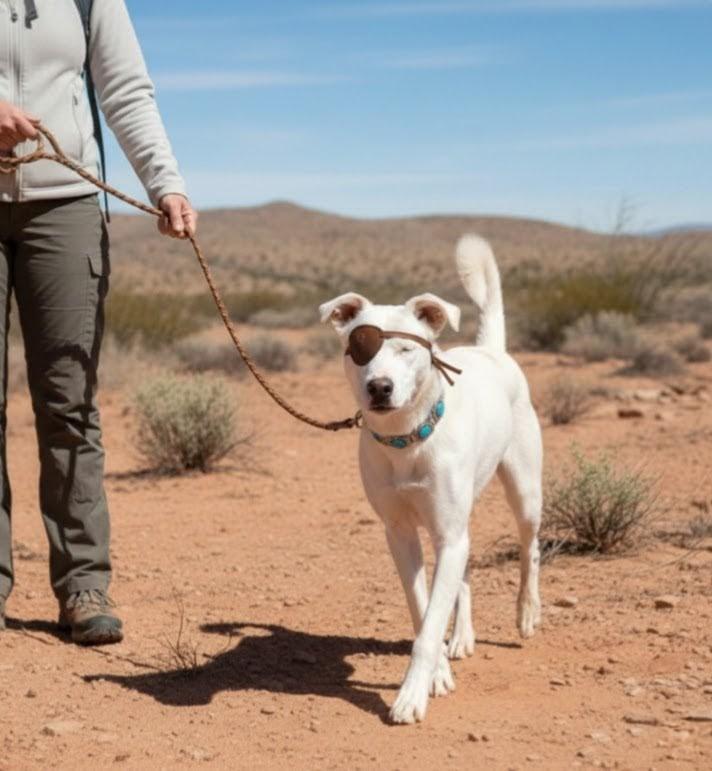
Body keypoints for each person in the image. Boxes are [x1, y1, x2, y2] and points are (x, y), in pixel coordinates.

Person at [0, 0, 197, 644]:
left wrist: (164, 183)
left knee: (70, 401)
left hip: (67, 203)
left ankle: (84, 584)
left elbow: (125, 89)